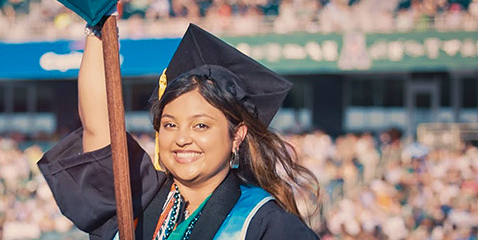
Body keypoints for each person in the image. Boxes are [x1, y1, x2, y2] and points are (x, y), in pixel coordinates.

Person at [37, 22, 320, 239]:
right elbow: (98, 125)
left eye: (201, 125)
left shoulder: (264, 224)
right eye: (170, 124)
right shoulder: (138, 199)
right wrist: (97, 23)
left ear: (237, 135)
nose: (183, 139)